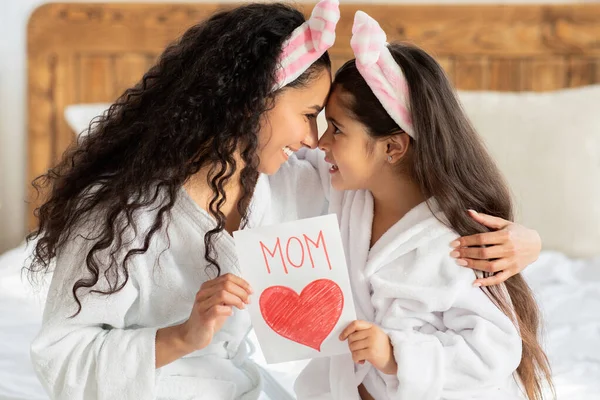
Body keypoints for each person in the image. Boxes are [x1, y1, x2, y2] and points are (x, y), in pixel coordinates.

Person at [294, 11, 553, 400]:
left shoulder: (457, 241)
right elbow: (274, 162)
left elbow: (494, 351)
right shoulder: (347, 192)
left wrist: (397, 356)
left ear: (392, 147)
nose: (320, 142)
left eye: (337, 128)